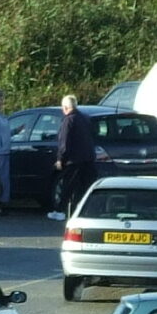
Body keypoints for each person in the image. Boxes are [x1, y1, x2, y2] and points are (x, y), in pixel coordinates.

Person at [55, 93, 98, 221]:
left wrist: (60, 159)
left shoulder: (69, 120)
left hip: (73, 160)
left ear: (66, 107)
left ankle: (60, 211)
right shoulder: (85, 118)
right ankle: (83, 212)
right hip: (88, 158)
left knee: (67, 186)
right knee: (84, 187)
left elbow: (64, 142)